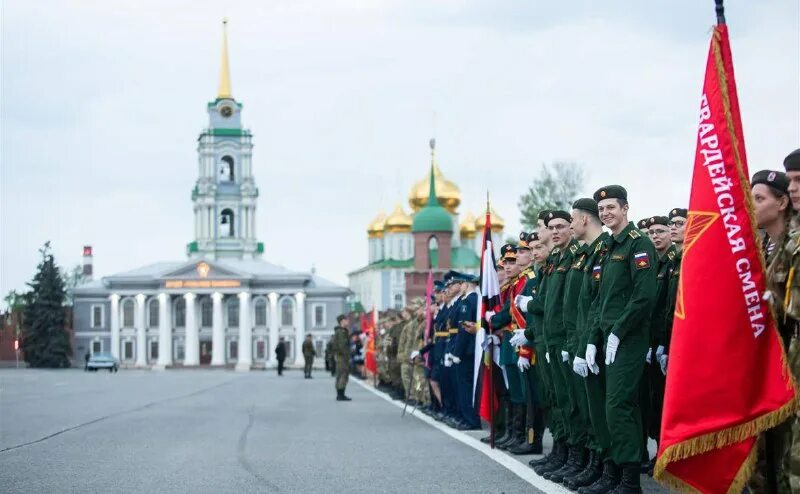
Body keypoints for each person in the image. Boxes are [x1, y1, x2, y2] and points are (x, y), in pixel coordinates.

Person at [583, 185, 657, 493]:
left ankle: (629, 481)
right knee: (606, 405)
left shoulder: (638, 245)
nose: (606, 213)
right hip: (607, 338)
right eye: (601, 210)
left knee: (619, 405)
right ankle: (612, 472)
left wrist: (618, 331)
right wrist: (591, 338)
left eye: (611, 207)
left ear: (625, 208)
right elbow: (600, 300)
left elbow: (644, 297)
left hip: (628, 339)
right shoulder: (607, 248)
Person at [749, 169, 794, 492]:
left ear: (781, 202)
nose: (751, 205)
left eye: (759, 199)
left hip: (789, 358)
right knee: (763, 454)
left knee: (788, 456)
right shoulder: (762, 248)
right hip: (765, 362)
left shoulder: (792, 246)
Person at [332, 314, 352, 401]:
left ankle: (340, 394)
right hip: (343, 357)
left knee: (340, 375)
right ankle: (341, 395)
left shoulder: (340, 331)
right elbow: (343, 346)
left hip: (340, 356)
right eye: (346, 320)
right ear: (342, 321)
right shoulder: (341, 332)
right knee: (343, 375)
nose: (348, 321)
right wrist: (348, 356)